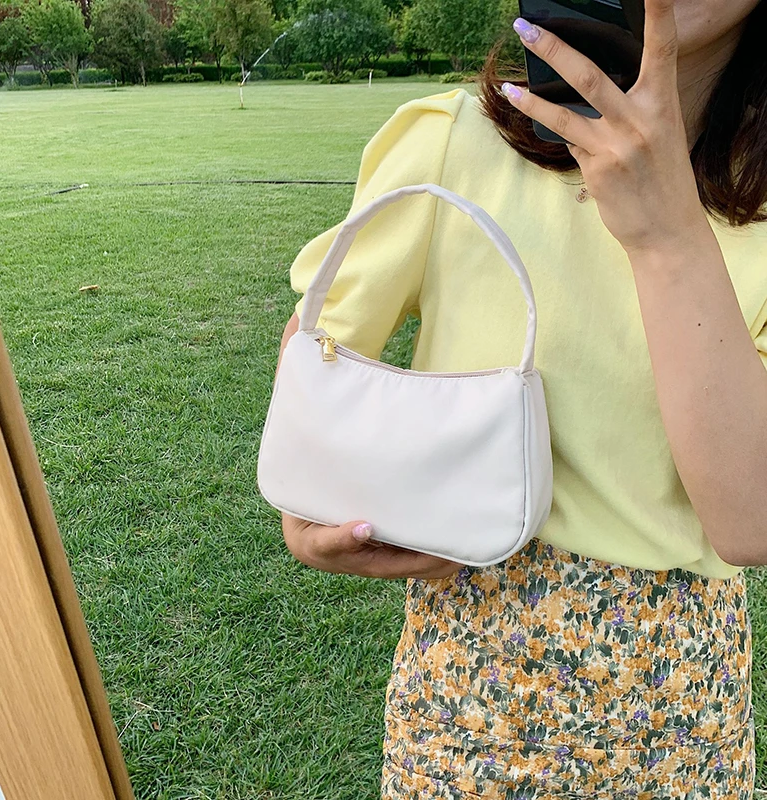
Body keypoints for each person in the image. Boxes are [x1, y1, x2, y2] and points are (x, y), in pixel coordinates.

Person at [273, 0, 767, 795]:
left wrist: (669, 235)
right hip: (467, 693)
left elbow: (752, 518)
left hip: (680, 708)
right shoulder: (451, 142)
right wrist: (308, 509)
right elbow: (319, 349)